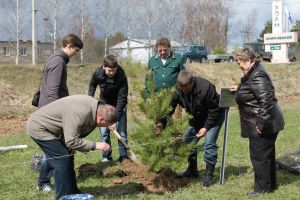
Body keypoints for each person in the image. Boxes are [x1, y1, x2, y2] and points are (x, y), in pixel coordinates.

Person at [27, 95, 118, 200]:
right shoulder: (80, 113)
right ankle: (63, 196)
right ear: (102, 119)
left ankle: (73, 191)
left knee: (68, 156)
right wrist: (96, 145)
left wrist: (72, 144)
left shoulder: (96, 108)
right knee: (62, 159)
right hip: (39, 127)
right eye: (106, 125)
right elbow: (71, 141)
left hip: (54, 129)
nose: (105, 127)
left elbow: (73, 132)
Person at [229, 47, 284, 198]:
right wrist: (240, 88)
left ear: (248, 61)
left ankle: (261, 189)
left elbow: (266, 101)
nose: (238, 65)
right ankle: (269, 185)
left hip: (262, 123)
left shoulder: (258, 74)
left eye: (239, 62)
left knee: (259, 156)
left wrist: (260, 124)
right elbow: (253, 90)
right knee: (266, 155)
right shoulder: (254, 72)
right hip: (263, 121)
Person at [155, 70, 225, 187]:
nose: (184, 91)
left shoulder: (206, 88)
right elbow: (169, 108)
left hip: (214, 117)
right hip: (196, 117)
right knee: (188, 140)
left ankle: (209, 175)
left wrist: (206, 128)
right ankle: (192, 170)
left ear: (192, 83)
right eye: (182, 89)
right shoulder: (178, 90)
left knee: (209, 143)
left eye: (186, 89)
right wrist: (161, 123)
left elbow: (214, 110)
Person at [37, 33, 83, 193]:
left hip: (50, 111)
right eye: (76, 50)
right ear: (69, 46)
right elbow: (53, 92)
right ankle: (43, 182)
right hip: (52, 113)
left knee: (55, 148)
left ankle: (45, 181)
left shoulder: (56, 59)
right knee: (54, 148)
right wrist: (58, 115)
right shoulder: (58, 62)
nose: (76, 54)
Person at [88, 55, 128, 163]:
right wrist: (89, 101)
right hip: (104, 106)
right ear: (104, 67)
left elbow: (122, 98)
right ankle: (106, 157)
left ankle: (124, 157)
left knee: (122, 133)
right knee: (104, 133)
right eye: (109, 70)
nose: (111, 73)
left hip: (119, 106)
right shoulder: (98, 73)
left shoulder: (121, 76)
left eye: (113, 70)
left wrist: (116, 119)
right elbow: (92, 86)